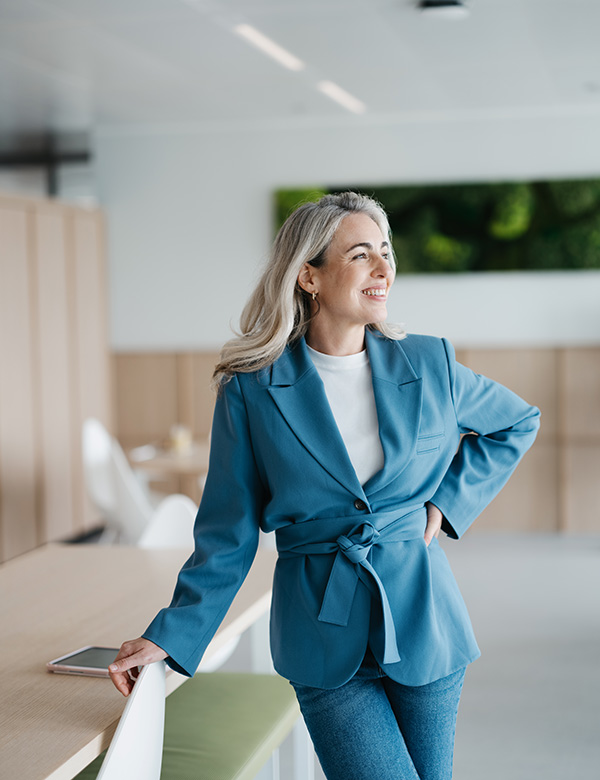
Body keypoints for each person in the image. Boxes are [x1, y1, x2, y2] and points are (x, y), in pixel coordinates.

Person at [109, 192, 540, 780]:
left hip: (425, 623)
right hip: (319, 631)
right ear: (308, 275)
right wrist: (172, 633)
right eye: (361, 255)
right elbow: (227, 534)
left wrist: (447, 502)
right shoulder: (252, 390)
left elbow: (517, 421)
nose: (384, 269)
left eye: (386, 252)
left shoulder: (430, 363)